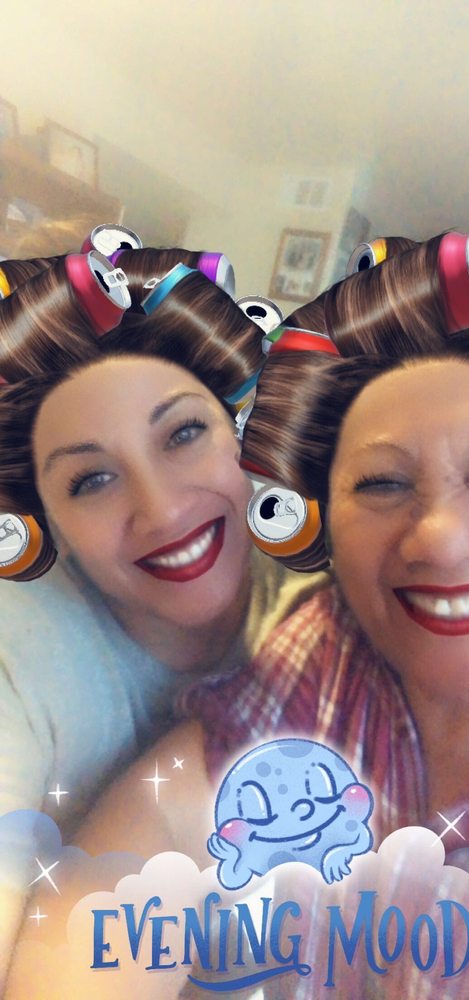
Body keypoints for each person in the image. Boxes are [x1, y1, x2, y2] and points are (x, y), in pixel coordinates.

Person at [0, 245, 326, 992]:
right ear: (42, 517)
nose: (162, 510)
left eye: (182, 434)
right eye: (92, 478)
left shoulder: (333, 587)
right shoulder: (17, 653)